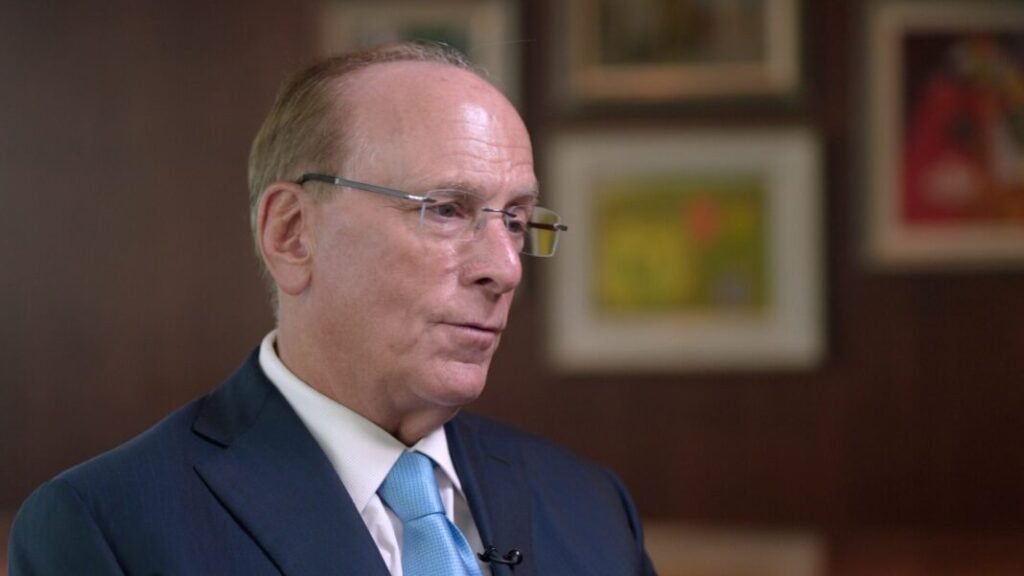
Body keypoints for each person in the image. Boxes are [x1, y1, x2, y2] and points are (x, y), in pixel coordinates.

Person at [8, 42, 656, 575]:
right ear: (292, 233)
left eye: (515, 219)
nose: (506, 268)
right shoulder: (104, 527)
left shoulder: (589, 504)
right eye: (446, 210)